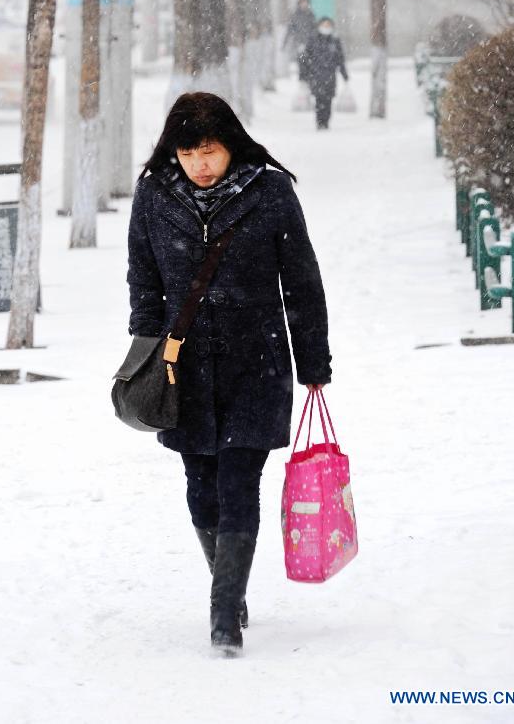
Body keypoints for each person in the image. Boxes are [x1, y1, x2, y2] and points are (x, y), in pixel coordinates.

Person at [126, 92, 332, 657]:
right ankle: (230, 584)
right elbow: (143, 280)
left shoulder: (268, 193)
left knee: (239, 481)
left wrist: (314, 360)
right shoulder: (154, 195)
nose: (200, 164)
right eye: (189, 152)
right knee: (200, 490)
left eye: (209, 151)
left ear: (229, 145)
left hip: (257, 362)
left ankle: (223, 614)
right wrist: (147, 350)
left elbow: (303, 283)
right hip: (184, 368)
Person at [303, 17, 349, 130]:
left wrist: (344, 74)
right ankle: (320, 121)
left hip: (330, 76)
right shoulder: (313, 40)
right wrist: (305, 73)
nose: (326, 27)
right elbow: (305, 57)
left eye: (328, 25)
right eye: (324, 25)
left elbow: (340, 59)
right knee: (319, 99)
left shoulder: (335, 41)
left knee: (328, 100)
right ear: (319, 26)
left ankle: (326, 121)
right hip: (316, 76)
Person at [283, 0, 317, 83]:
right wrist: (285, 43)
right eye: (302, 2)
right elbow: (290, 30)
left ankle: (310, 83)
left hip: (310, 45)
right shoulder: (295, 15)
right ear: (299, 3)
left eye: (305, 2)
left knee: (311, 65)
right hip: (299, 44)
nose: (304, 4)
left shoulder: (311, 15)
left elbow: (314, 30)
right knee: (301, 64)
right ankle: (302, 83)